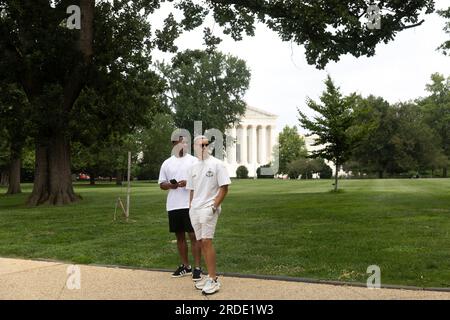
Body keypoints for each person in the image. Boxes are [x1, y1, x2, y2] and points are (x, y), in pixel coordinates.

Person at [186, 135, 231, 295]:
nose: (204, 147)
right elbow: (191, 189)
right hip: (195, 210)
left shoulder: (217, 164)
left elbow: (224, 188)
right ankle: (208, 276)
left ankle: (213, 279)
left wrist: (214, 206)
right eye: (200, 145)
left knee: (206, 241)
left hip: (209, 208)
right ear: (195, 147)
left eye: (206, 144)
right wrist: (191, 207)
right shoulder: (192, 167)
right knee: (199, 242)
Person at [158, 136, 202, 281]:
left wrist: (187, 182)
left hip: (190, 204)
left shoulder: (193, 161)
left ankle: (197, 268)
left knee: (194, 236)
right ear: (174, 144)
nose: (184, 145)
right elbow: (161, 184)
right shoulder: (167, 163)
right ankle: (186, 266)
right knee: (180, 237)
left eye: (185, 142)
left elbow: (201, 179)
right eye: (181, 142)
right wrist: (171, 185)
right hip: (174, 205)